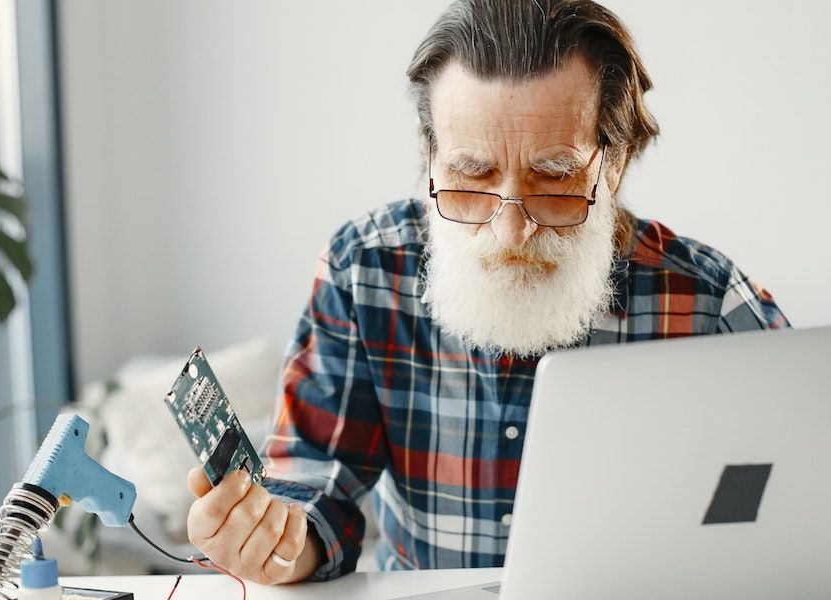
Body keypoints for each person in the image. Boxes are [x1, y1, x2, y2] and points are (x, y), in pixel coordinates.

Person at [184, 0, 789, 585]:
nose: (510, 230)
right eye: (472, 175)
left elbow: (810, 486)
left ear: (615, 161)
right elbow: (316, 486)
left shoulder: (711, 303)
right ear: (430, 155)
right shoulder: (364, 269)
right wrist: (275, 541)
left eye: (552, 177)